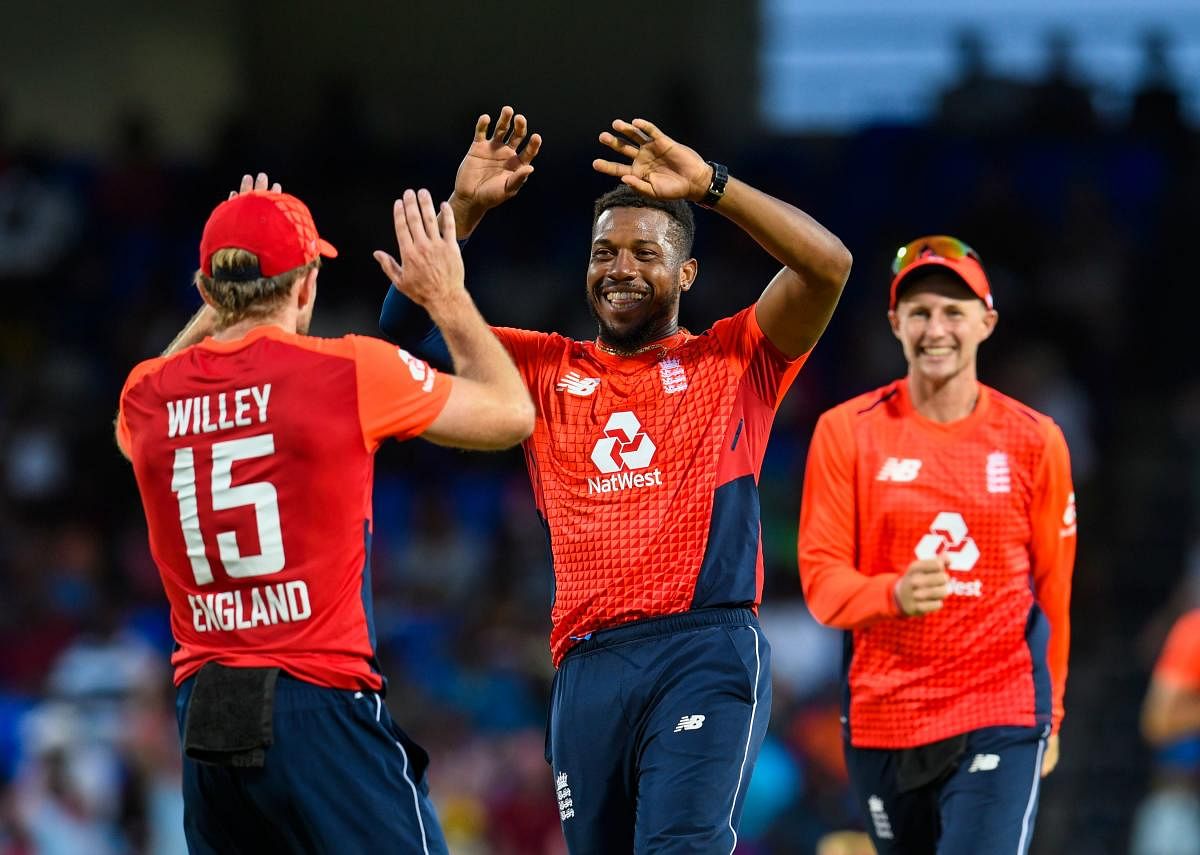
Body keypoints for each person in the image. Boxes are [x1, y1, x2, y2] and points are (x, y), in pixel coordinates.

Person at [380, 106, 853, 853]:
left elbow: (828, 265)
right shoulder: (537, 368)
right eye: (605, 253)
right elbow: (399, 349)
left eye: (645, 252)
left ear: (686, 272)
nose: (621, 269)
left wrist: (711, 185)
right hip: (585, 667)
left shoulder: (735, 359)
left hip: (703, 646)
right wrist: (463, 212)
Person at [115, 172, 534, 853]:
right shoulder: (348, 372)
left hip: (207, 714)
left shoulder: (146, 395)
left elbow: (134, 416)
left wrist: (223, 296)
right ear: (308, 285)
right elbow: (512, 412)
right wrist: (448, 297)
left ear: (206, 292)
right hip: (318, 701)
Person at [797, 235, 1077, 854]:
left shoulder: (1036, 440)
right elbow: (821, 585)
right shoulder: (846, 432)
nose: (936, 328)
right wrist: (892, 593)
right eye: (920, 312)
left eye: (955, 310)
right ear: (895, 323)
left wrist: (1051, 714)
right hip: (883, 718)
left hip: (999, 708)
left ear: (987, 321)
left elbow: (1054, 591)